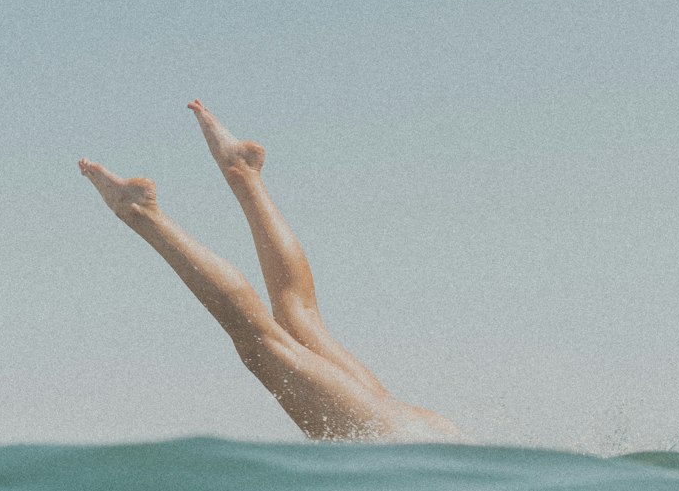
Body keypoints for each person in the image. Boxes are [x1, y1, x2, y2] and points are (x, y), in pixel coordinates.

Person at [79, 101, 462, 442]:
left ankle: (243, 171)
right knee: (261, 346)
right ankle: (142, 213)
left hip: (424, 432)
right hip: (391, 440)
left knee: (300, 318)